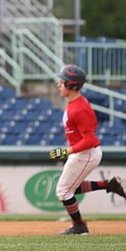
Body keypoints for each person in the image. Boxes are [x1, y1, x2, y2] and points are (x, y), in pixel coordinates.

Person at [49, 64, 126, 235]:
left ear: (71, 85)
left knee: (63, 191)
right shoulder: (74, 103)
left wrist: (66, 151)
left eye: (62, 81)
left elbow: (90, 139)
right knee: (70, 188)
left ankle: (79, 226)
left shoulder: (80, 107)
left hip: (86, 154)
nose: (59, 84)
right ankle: (108, 185)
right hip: (82, 153)